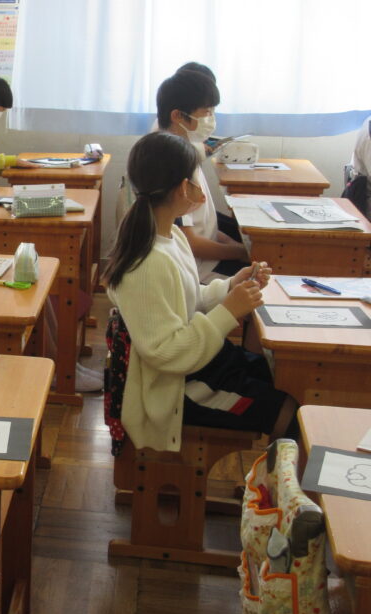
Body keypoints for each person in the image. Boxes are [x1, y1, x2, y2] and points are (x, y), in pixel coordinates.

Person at [105, 132, 290, 452]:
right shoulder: (149, 262)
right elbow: (166, 353)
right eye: (195, 179)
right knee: (288, 412)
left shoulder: (171, 236)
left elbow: (186, 301)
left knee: (281, 376)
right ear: (182, 188)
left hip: (199, 360)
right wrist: (229, 311)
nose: (200, 188)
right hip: (178, 388)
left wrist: (229, 288)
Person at [156, 70, 247, 281]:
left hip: (204, 258)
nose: (211, 119)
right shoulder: (173, 163)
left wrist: (237, 247)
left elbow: (203, 225)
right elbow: (191, 241)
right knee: (268, 275)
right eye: (206, 112)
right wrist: (242, 252)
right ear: (178, 116)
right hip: (198, 270)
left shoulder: (185, 151)